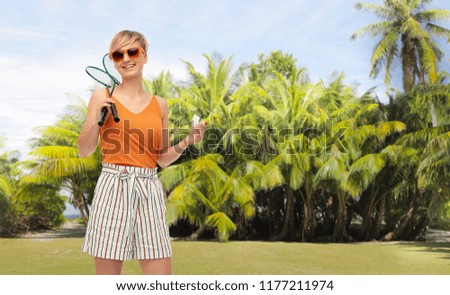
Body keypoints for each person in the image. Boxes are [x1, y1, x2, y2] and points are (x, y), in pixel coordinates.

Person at [78, 30, 205, 275]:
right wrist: (95, 118)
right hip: (113, 185)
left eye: (132, 51)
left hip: (149, 187)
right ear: (113, 61)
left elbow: (161, 158)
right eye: (118, 54)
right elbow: (84, 150)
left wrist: (187, 141)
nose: (126, 58)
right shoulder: (101, 96)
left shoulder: (160, 104)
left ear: (145, 56)